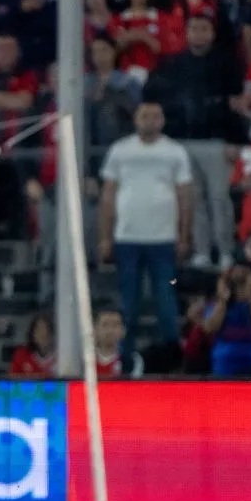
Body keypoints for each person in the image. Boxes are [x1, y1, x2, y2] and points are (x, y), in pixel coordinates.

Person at [99, 101, 193, 372]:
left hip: (163, 238)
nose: (150, 120)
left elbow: (184, 196)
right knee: (128, 305)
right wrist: (105, 236)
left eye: (155, 115)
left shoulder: (174, 152)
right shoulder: (120, 150)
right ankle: (124, 361)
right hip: (127, 236)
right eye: (145, 115)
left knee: (166, 300)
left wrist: (183, 235)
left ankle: (174, 359)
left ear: (162, 120)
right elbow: (108, 195)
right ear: (136, 119)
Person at [201, 260, 251, 376]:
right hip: (226, 363)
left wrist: (250, 298)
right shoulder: (218, 303)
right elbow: (209, 328)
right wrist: (223, 300)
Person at [9, 312, 55, 377]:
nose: (43, 334)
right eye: (39, 330)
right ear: (32, 334)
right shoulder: (21, 355)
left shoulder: (61, 357)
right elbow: (12, 382)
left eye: (47, 329)